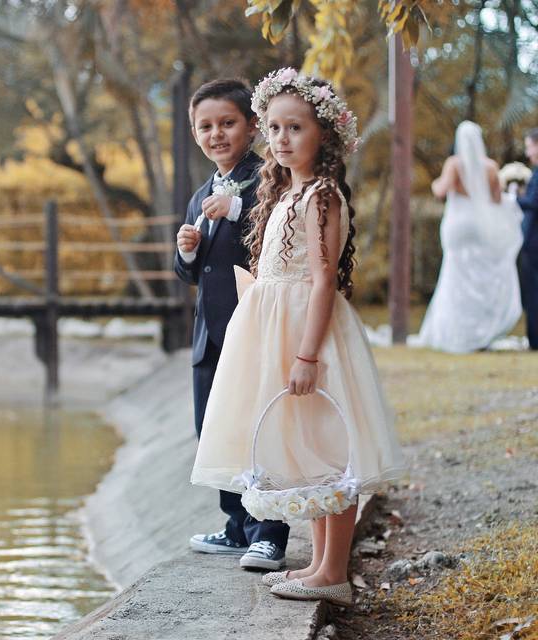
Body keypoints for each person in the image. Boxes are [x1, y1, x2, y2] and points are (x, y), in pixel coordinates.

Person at [190, 68, 406, 606]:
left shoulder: (322, 195)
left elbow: (324, 277)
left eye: (296, 129)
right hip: (277, 329)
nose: (282, 140)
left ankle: (334, 572)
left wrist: (307, 354)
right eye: (276, 129)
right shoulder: (288, 190)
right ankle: (316, 563)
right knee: (308, 451)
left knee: (332, 452)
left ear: (324, 136)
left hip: (309, 332)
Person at [174, 79, 289, 571]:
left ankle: (269, 534)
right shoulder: (201, 192)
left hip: (253, 327)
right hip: (210, 335)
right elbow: (193, 273)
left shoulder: (270, 177)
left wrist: (240, 208)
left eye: (227, 123)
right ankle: (236, 526)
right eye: (206, 126)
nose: (216, 134)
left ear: (250, 126)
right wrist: (186, 252)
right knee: (215, 430)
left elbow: (282, 235)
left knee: (257, 430)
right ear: (195, 133)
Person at [416, 121, 523, 353]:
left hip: (458, 226)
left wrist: (436, 183)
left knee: (454, 277)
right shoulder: (491, 167)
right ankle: (480, 331)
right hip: (480, 227)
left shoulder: (454, 164)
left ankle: (454, 333)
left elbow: (441, 190)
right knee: (479, 276)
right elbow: (496, 200)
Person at [518, 128, 538, 350]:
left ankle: (535, 340)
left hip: (534, 242)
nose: (527, 152)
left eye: (529, 146)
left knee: (533, 291)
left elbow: (534, 201)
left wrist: (514, 197)